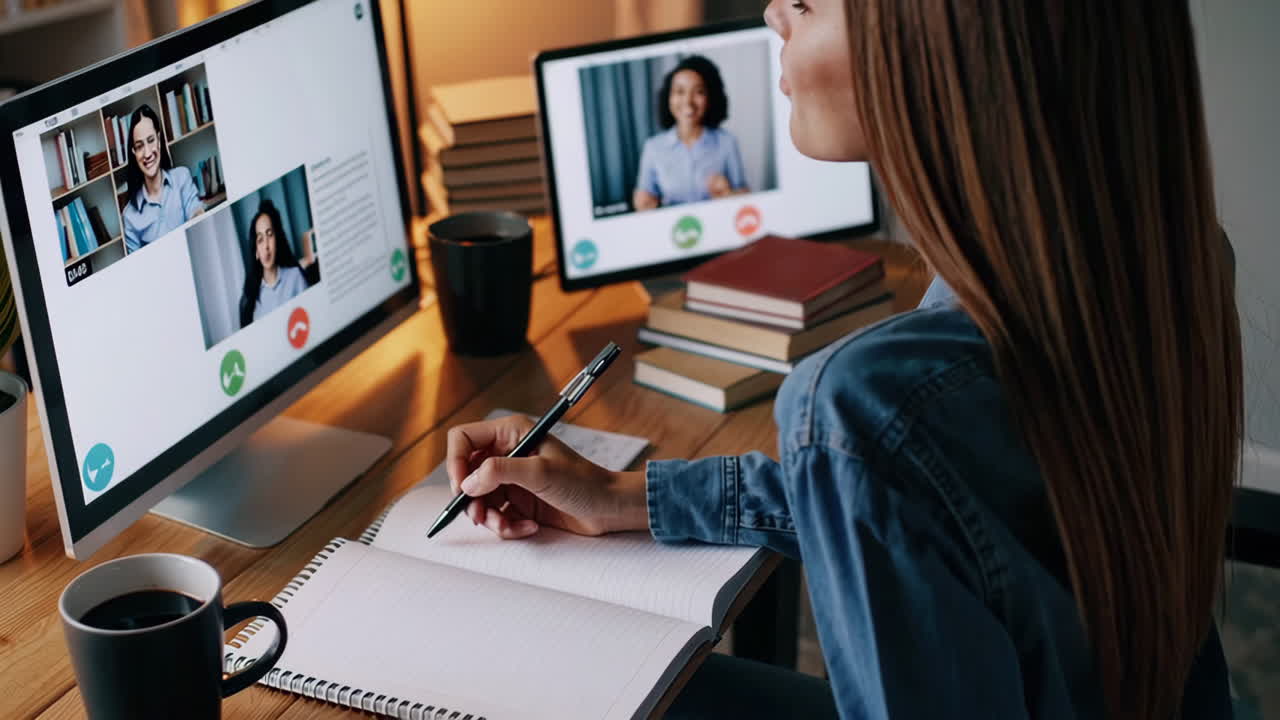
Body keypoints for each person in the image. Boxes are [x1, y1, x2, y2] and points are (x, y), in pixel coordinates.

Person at [447, 1, 1240, 719]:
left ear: (932, 54)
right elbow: (933, 499)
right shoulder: (1160, 258)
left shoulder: (865, 399)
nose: (772, 15)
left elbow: (885, 462)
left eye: (806, 2)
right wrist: (621, 496)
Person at [632, 55, 748, 211]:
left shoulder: (727, 142)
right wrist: (644, 203)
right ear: (669, 97)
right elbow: (643, 199)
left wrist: (729, 194)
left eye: (698, 92)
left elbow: (745, 195)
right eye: (679, 91)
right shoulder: (652, 148)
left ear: (710, 97)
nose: (688, 101)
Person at [121, 104, 203, 253]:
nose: (147, 153)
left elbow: (197, 213)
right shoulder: (129, 217)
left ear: (159, 140)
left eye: (151, 140)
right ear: (133, 152)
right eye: (139, 146)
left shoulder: (182, 177)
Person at [238, 199, 315, 328]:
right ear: (256, 251)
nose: (266, 246)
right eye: (260, 239)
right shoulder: (250, 297)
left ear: (277, 240)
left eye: (270, 235)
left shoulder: (295, 277)